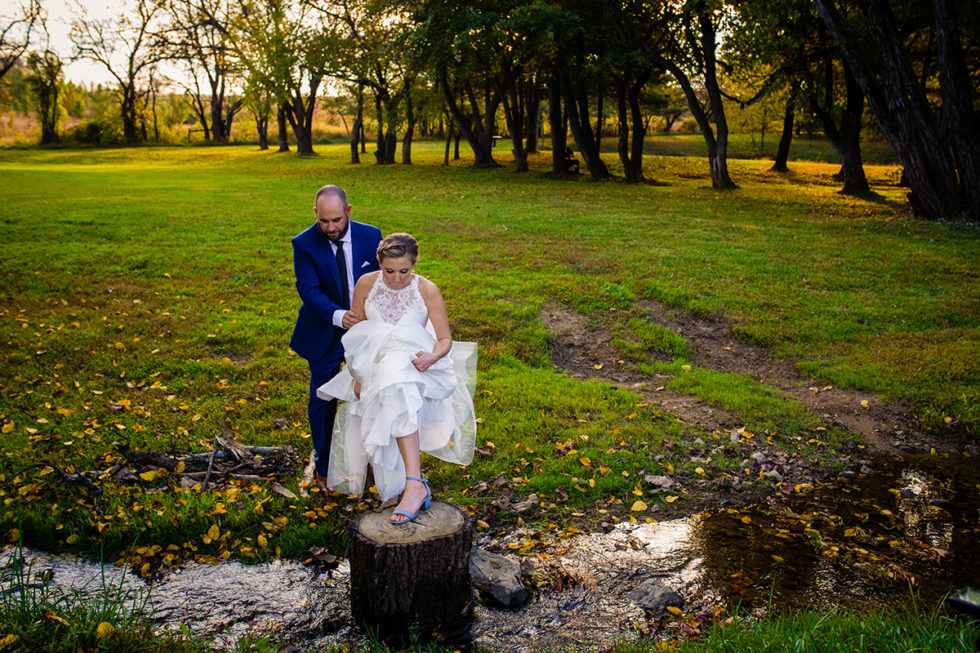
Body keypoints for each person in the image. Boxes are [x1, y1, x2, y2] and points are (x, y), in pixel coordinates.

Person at [317, 233, 476, 524]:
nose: (397, 278)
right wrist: (358, 374)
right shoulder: (366, 284)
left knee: (398, 386)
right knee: (387, 390)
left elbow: (443, 339)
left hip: (416, 365)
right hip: (375, 366)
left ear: (413, 264)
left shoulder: (427, 290)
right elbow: (360, 339)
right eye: (389, 271)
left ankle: (413, 484)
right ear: (379, 264)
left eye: (404, 271)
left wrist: (432, 357)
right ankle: (401, 486)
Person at [290, 185, 383, 493]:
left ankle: (374, 458)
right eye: (324, 221)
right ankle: (326, 464)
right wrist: (339, 315)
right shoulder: (304, 244)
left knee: (372, 393)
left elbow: (386, 280)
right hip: (325, 330)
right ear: (316, 214)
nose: (331, 228)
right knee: (323, 397)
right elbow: (309, 291)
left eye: (337, 220)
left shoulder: (371, 236)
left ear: (349, 212)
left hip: (367, 331)